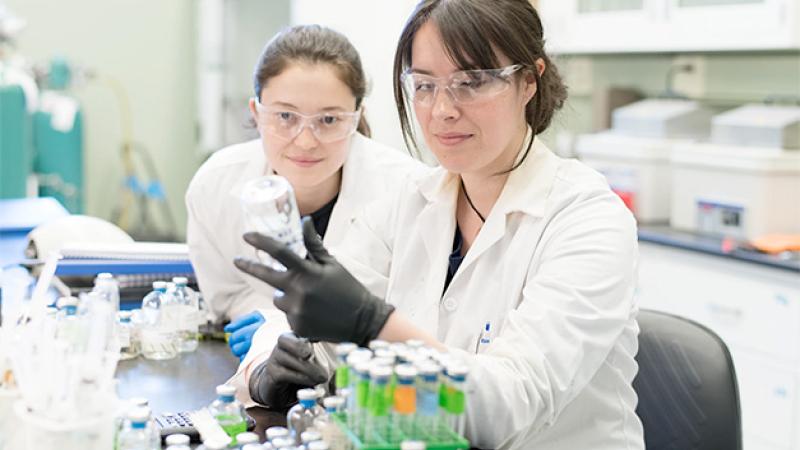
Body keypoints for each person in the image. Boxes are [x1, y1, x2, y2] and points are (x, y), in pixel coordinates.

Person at [235, 1, 644, 449]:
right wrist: (268, 372)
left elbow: (512, 403)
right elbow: (303, 326)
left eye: (472, 81)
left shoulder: (587, 219)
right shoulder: (408, 202)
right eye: (425, 85)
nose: (443, 109)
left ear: (529, 81)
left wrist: (373, 323)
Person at [185, 25, 423, 386]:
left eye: (329, 119)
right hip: (258, 379)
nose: (306, 140)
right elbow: (230, 294)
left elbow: (412, 318)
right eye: (285, 116)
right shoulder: (214, 184)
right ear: (257, 112)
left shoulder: (408, 191)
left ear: (356, 118)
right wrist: (270, 328)